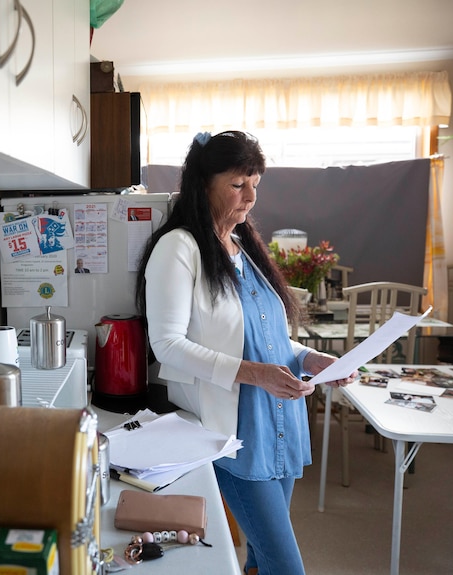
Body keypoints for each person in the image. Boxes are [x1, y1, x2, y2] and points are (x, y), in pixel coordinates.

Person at [134, 130, 354, 575]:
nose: (250, 196)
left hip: (278, 420)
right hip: (231, 432)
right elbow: (167, 346)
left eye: (256, 182)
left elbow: (263, 335)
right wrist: (256, 374)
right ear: (203, 183)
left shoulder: (243, 246)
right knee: (285, 565)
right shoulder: (179, 248)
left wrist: (307, 358)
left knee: (260, 556)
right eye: (238, 184)